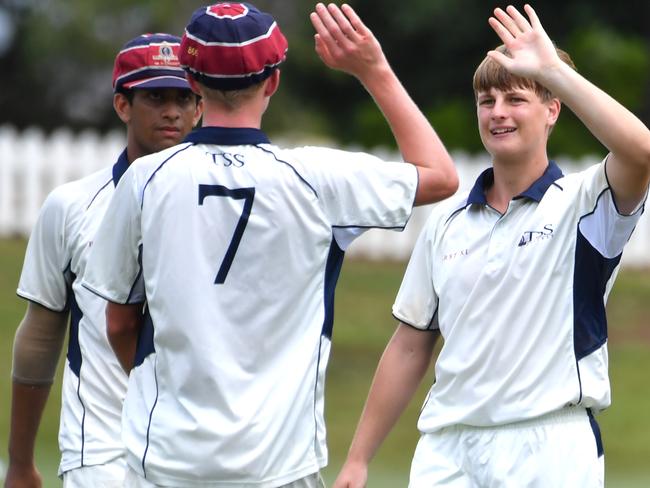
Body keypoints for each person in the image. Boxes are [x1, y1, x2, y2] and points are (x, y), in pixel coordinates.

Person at [80, 2, 458, 487]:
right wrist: (374, 70)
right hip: (280, 466)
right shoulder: (318, 179)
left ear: (192, 83)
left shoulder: (144, 180)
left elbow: (119, 321)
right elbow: (441, 176)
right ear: (273, 81)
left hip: (166, 460)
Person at [332, 4, 650, 488]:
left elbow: (641, 151)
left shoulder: (584, 203)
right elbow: (410, 345)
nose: (498, 111)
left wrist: (552, 71)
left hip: (550, 445)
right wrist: (357, 460)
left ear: (552, 109)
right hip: (448, 448)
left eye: (515, 98)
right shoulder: (446, 222)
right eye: (487, 99)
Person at [6, 33, 202, 488]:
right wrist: (19, 462)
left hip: (197, 448)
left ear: (200, 106)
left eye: (183, 97)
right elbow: (40, 334)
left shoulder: (224, 207)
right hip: (101, 450)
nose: (172, 111)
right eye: (155, 97)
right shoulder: (71, 205)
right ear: (122, 105)